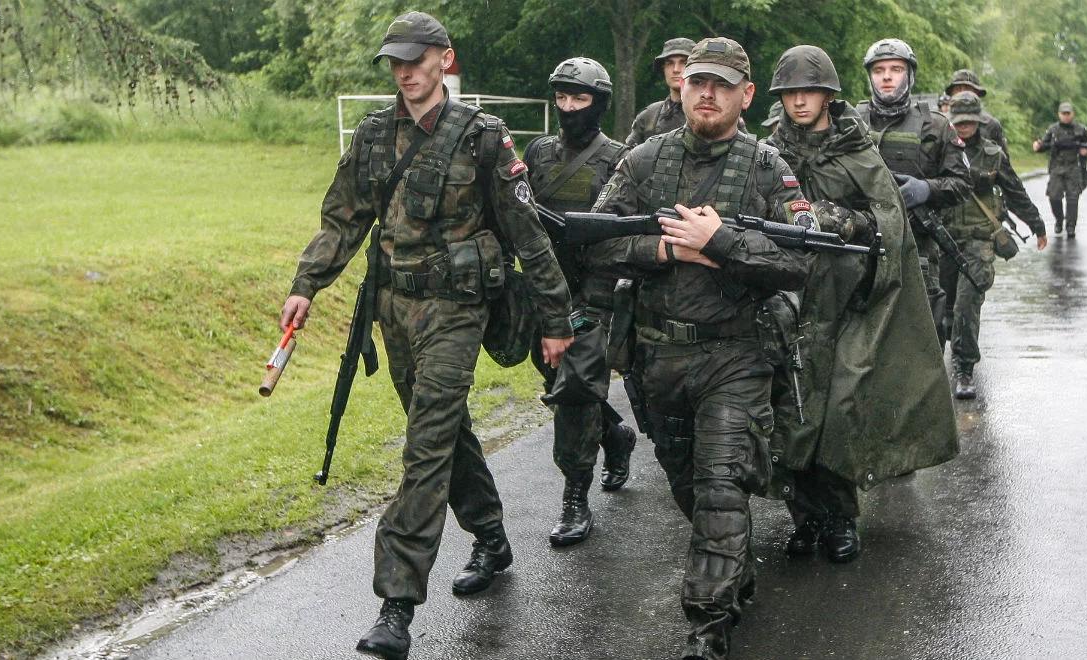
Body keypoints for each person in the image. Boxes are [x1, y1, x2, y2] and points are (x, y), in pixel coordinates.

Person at [278, 12, 573, 660]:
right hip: (395, 308)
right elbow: (342, 220)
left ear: (445, 58)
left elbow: (528, 234)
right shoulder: (376, 135)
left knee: (425, 442)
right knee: (443, 428)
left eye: (417, 58)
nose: (405, 71)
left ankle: (396, 606)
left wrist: (557, 320)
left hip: (457, 308)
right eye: (396, 61)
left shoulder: (484, 136)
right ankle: (492, 535)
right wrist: (306, 283)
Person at [587, 37, 815, 660]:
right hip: (657, 360)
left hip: (736, 355)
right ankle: (731, 571)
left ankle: (707, 628)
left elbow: (800, 259)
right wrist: (662, 250)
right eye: (696, 82)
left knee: (721, 485)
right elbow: (596, 242)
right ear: (681, 88)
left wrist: (721, 243)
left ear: (746, 96)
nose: (706, 92)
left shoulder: (769, 167)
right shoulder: (642, 161)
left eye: (721, 84)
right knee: (688, 487)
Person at [764, 45, 959, 563]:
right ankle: (805, 516)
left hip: (851, 300)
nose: (799, 101)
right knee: (789, 408)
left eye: (808, 91)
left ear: (829, 95)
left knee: (838, 410)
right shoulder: (767, 152)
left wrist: (846, 222)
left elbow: (890, 226)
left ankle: (840, 517)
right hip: (786, 299)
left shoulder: (857, 150)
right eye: (789, 93)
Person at [523, 57, 636, 546]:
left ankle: (575, 497)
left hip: (596, 287)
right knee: (555, 374)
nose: (569, 108)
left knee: (575, 388)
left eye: (579, 99)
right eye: (562, 98)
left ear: (599, 104)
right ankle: (614, 434)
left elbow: (627, 227)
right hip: (547, 289)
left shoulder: (620, 158)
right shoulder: (538, 152)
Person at [856, 38, 972, 343]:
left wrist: (926, 189)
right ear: (870, 76)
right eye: (879, 70)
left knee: (923, 341)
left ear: (909, 75)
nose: (887, 76)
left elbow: (962, 184)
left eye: (896, 69)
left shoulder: (936, 126)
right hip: (860, 249)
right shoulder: (850, 122)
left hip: (917, 249)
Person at [944, 92, 1048, 398]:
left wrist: (1037, 224)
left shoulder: (992, 154)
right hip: (944, 238)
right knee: (943, 307)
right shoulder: (940, 151)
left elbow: (1014, 191)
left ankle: (964, 369)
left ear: (978, 121)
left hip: (979, 241)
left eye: (968, 122)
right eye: (958, 122)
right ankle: (946, 354)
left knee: (966, 304)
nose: (963, 127)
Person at [1033, 102, 1087, 237]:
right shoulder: (1053, 129)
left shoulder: (1081, 129)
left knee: (1073, 198)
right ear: (1059, 114)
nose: (1066, 116)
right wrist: (1038, 146)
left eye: (1068, 113)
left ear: (1073, 114)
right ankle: (1059, 220)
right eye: (1063, 114)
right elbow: (1044, 144)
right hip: (1057, 167)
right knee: (1054, 196)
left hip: (1074, 167)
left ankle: (1071, 226)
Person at [625, 38, 695, 146]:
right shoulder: (649, 116)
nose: (676, 69)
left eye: (684, 62)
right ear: (663, 68)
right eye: (669, 63)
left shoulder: (708, 113)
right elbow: (628, 158)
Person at [945, 69, 1008, 153]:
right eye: (958, 89)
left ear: (977, 93)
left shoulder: (991, 124)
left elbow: (1002, 162)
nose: (963, 93)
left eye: (968, 89)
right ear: (951, 93)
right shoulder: (941, 123)